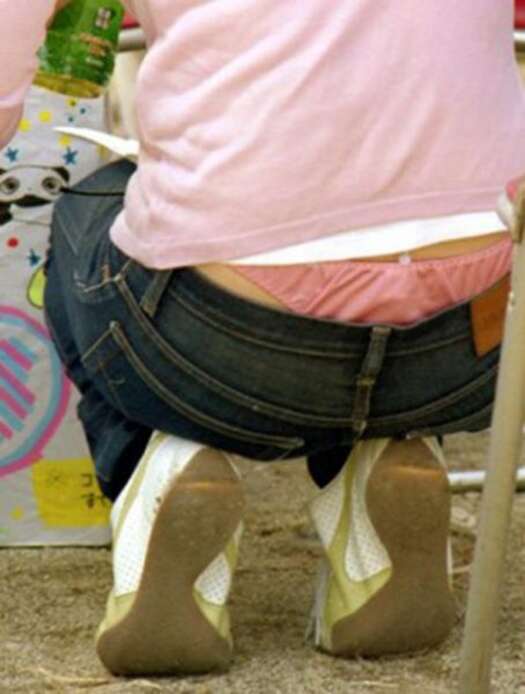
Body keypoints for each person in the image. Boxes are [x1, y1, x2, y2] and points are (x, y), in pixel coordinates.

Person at [2, 0, 524, 676]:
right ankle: (379, 494)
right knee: (396, 229)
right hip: (479, 341)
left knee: (87, 214)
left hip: (225, 343)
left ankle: (158, 465)